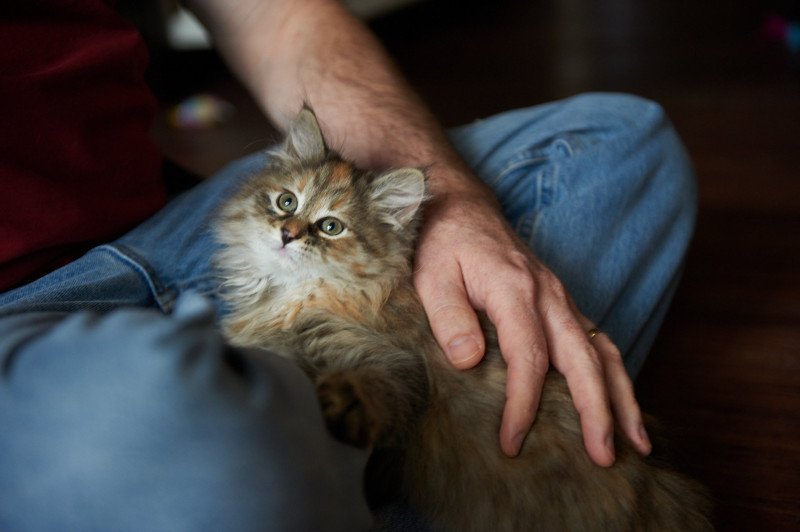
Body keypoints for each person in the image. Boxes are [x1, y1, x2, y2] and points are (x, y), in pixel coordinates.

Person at [0, 0, 696, 530]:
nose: (297, 230)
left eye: (321, 224)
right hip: (20, 314)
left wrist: (458, 208)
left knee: (622, 143)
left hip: (157, 231)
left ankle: (290, 465)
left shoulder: (298, 223)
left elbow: (283, 17)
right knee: (165, 420)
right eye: (301, 218)